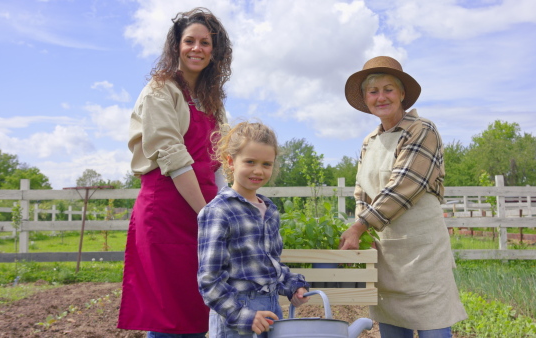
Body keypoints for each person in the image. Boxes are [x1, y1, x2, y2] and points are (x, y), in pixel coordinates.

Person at [118, 7, 232, 338]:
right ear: (176, 46)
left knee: (202, 305)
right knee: (169, 311)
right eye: (190, 41)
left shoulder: (212, 100)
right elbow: (175, 158)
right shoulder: (159, 91)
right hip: (167, 210)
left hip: (205, 208)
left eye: (205, 43)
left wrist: (227, 205)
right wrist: (208, 215)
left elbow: (220, 160)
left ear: (215, 50)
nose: (197, 48)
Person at [338, 56, 467, 338]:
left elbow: (404, 185)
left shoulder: (421, 130)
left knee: (433, 325)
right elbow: (361, 191)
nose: (381, 97)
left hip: (422, 251)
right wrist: (363, 232)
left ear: (402, 94)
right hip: (387, 252)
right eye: (373, 91)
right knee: (393, 326)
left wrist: (361, 225)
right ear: (365, 98)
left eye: (388, 89)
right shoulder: (369, 141)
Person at [197, 121, 310, 338]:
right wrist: (243, 315)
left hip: (271, 310)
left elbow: (271, 265)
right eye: (250, 162)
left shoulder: (270, 211)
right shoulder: (218, 211)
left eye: (266, 164)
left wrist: (293, 286)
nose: (258, 170)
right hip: (236, 316)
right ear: (231, 162)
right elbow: (209, 281)